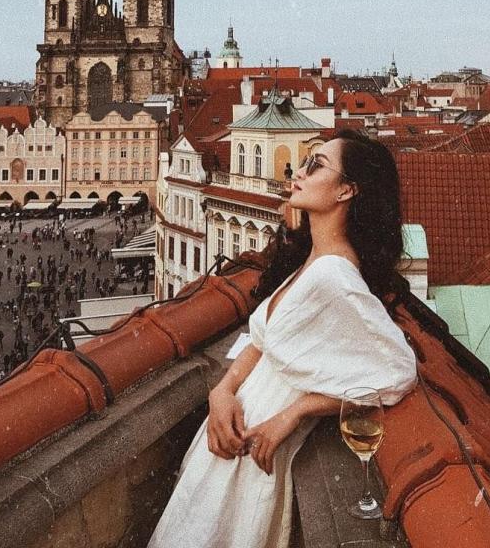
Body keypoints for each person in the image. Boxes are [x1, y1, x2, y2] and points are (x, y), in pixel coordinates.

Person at [147, 129, 417, 548]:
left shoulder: (336, 277)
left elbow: (399, 371)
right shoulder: (314, 262)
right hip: (234, 441)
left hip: (254, 457)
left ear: (346, 191)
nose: (299, 173)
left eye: (316, 166)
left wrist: (297, 411)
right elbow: (262, 342)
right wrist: (223, 391)